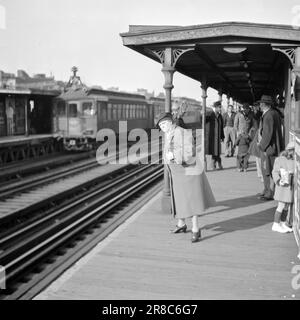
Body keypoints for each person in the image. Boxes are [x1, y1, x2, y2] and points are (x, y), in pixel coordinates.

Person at [156, 112, 216, 243]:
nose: (163, 127)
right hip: (178, 174)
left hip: (188, 173)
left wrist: (174, 156)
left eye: (164, 123)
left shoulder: (182, 132)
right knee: (180, 199)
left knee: (192, 201)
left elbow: (190, 152)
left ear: (171, 122)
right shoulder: (168, 134)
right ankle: (181, 224)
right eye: (160, 125)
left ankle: (195, 229)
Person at [257, 95, 284, 200]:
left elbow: (268, 133)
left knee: (268, 170)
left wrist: (262, 146)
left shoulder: (268, 115)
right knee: (271, 170)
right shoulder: (274, 113)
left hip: (269, 148)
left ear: (264, 104)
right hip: (274, 146)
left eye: (261, 103)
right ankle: (269, 191)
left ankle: (270, 193)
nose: (259, 105)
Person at [271, 141, 295, 233]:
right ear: (289, 150)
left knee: (286, 206)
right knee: (281, 206)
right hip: (282, 187)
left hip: (290, 187)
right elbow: (274, 172)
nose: (293, 153)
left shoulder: (295, 160)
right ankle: (275, 224)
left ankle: (283, 223)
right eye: (292, 151)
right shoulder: (280, 159)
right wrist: (278, 180)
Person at [206, 101, 224, 170]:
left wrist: (222, 136)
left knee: (217, 151)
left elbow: (221, 127)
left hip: (218, 136)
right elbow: (203, 120)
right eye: (219, 107)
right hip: (211, 137)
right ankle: (214, 165)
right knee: (214, 150)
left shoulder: (220, 116)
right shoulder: (210, 114)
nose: (220, 109)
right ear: (215, 107)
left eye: (220, 107)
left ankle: (218, 164)